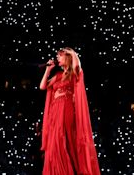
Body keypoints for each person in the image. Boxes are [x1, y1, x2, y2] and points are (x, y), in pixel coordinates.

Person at [39, 47, 100, 175]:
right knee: (54, 141)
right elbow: (43, 86)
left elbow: (77, 64)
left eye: (60, 56)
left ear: (67, 57)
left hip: (66, 109)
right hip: (55, 111)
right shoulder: (57, 76)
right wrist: (47, 70)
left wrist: (71, 53)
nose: (57, 58)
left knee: (63, 138)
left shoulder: (75, 73)